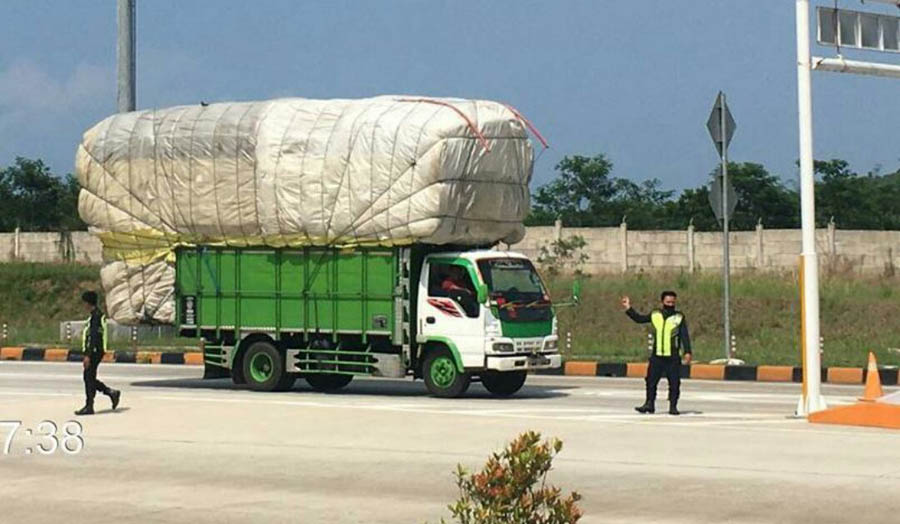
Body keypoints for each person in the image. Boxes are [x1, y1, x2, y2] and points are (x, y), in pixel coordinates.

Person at [621, 291, 692, 415]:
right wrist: (628, 308)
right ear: (662, 302)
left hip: (673, 356)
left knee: (674, 382)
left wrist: (687, 352)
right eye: (668, 302)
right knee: (650, 381)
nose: (670, 304)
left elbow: (684, 335)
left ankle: (673, 406)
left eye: (672, 302)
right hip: (657, 355)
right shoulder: (655, 314)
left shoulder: (679, 317)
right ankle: (649, 404)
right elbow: (639, 319)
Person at [75, 291, 121, 416]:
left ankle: (90, 405)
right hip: (96, 351)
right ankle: (110, 393)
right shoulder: (96, 315)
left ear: (88, 303)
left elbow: (94, 337)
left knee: (88, 377)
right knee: (89, 378)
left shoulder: (96, 317)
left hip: (94, 352)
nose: (83, 305)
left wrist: (88, 355)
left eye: (84, 302)